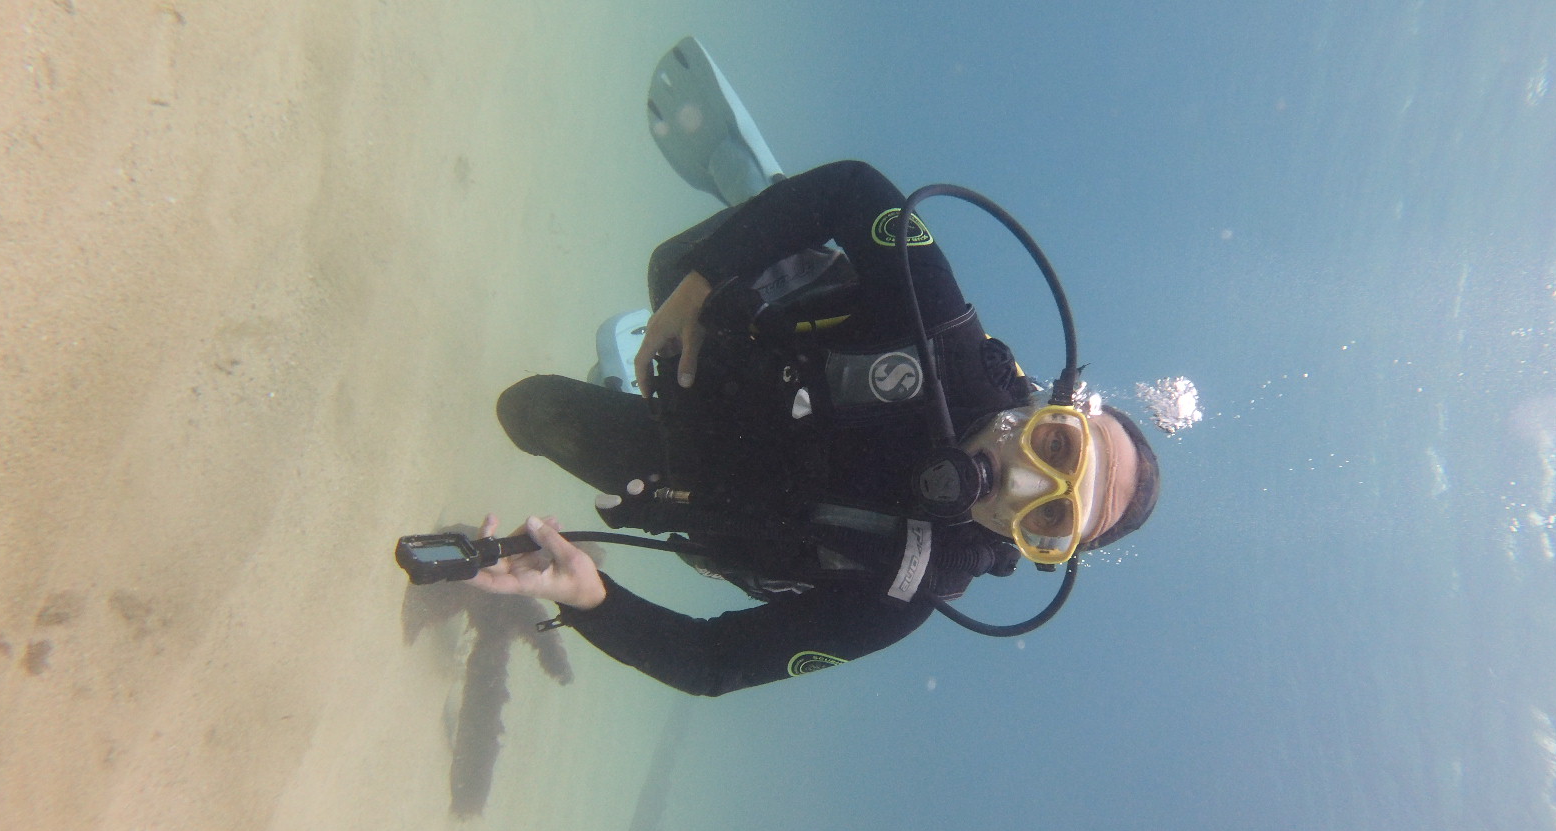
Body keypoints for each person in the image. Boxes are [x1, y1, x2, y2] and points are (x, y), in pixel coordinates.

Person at [473, 161, 1160, 696]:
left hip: (700, 470)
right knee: (671, 268)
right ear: (1047, 408)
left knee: (526, 411)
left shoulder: (901, 591)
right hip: (747, 358)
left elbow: (712, 662)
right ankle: (785, 237)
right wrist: (705, 282)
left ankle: (655, 370)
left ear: (1036, 547)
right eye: (1058, 446)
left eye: (1050, 517)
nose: (1019, 481)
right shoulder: (943, 338)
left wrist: (590, 598)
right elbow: (853, 191)